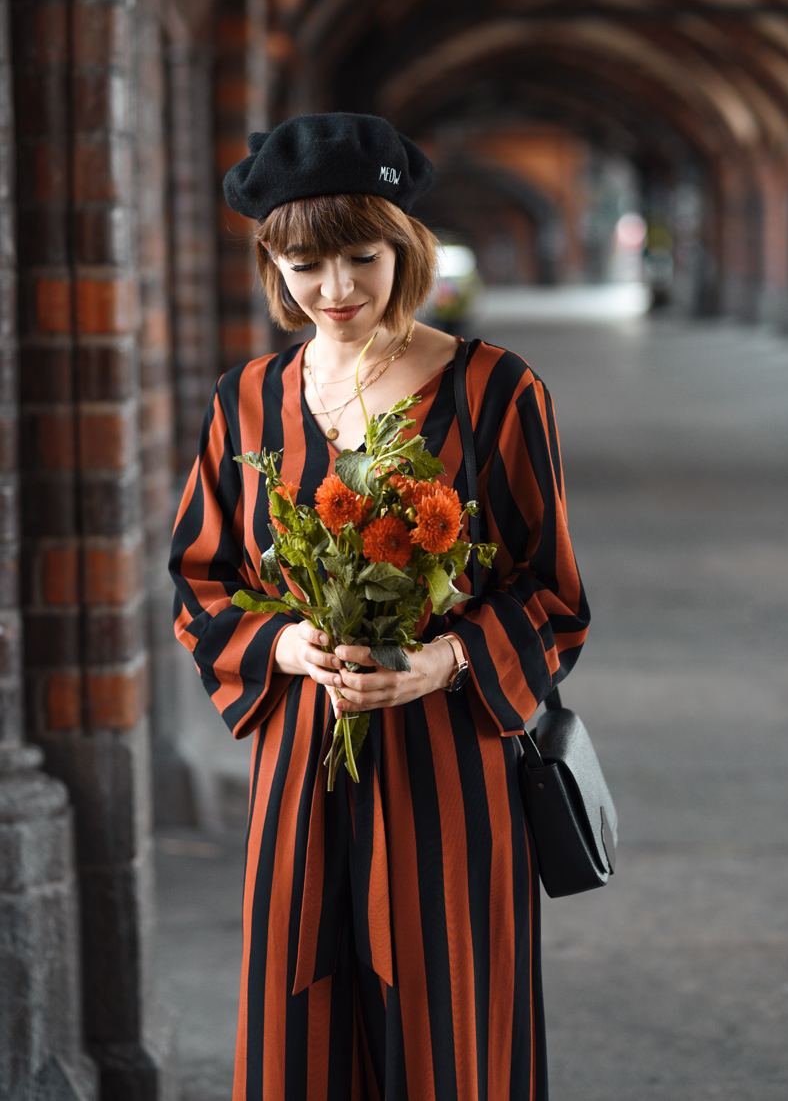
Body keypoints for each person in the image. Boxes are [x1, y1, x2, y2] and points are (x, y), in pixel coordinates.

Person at [169, 112, 590, 1101]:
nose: (336, 291)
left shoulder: (495, 391)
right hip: (301, 759)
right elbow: (202, 574)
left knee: (451, 1012)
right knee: (299, 1004)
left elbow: (552, 593)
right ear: (274, 268)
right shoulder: (247, 400)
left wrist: (441, 663)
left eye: (360, 257)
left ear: (405, 249)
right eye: (303, 267)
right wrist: (282, 647)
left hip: (452, 763)